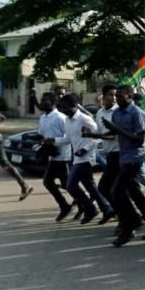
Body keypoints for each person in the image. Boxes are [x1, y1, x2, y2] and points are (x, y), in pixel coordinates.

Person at [102, 86, 145, 246]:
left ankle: (128, 227)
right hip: (123, 157)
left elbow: (138, 139)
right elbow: (115, 135)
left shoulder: (137, 113)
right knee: (135, 193)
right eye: (116, 96)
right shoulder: (116, 113)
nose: (117, 98)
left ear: (130, 96)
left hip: (135, 158)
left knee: (116, 191)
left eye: (121, 96)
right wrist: (93, 135)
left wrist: (117, 129)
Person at [53, 93, 115, 224]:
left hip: (87, 158)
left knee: (70, 185)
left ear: (75, 106)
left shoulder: (84, 119)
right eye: (61, 108)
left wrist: (85, 149)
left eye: (65, 107)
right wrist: (52, 140)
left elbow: (97, 136)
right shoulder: (67, 120)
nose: (63, 110)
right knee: (91, 187)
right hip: (76, 158)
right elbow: (68, 139)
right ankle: (107, 209)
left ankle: (90, 209)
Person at [38, 92, 72, 221]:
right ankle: (69, 205)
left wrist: (54, 140)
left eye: (45, 100)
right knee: (53, 182)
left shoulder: (60, 117)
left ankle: (80, 204)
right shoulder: (42, 118)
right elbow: (42, 134)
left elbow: (68, 137)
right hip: (51, 155)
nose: (42, 103)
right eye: (42, 100)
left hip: (63, 155)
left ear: (52, 103)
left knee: (66, 184)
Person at [93, 85, 120, 207]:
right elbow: (99, 132)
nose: (114, 98)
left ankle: (125, 215)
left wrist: (93, 136)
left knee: (105, 187)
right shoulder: (100, 112)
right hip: (108, 154)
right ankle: (125, 214)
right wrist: (90, 134)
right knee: (118, 189)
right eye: (111, 95)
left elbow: (113, 136)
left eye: (115, 95)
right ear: (103, 97)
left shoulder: (118, 112)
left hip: (119, 154)